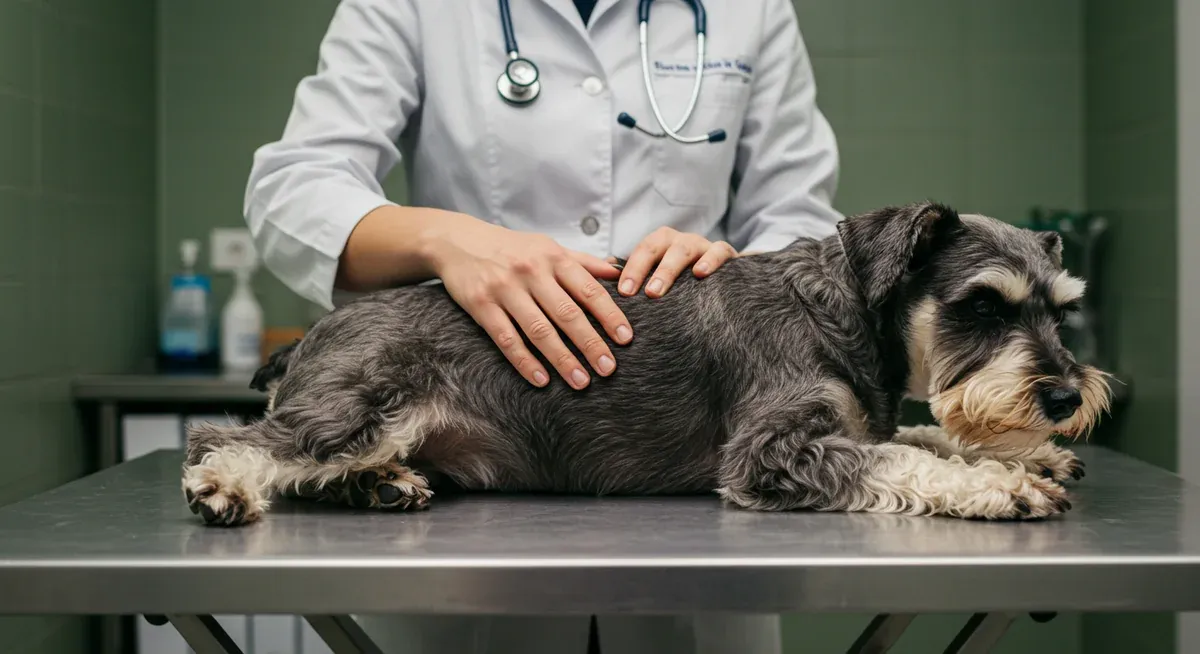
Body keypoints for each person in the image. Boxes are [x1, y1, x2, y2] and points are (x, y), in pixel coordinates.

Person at [243, 0, 841, 651]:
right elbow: (295, 188)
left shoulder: (748, 9)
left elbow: (799, 218)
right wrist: (447, 238)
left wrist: (743, 271)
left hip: (690, 471)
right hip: (463, 468)